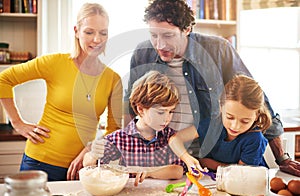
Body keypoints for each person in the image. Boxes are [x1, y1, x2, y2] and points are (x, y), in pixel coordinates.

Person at [125, 0, 300, 176]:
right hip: (164, 154)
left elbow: (257, 100)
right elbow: (131, 105)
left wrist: (282, 158)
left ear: (186, 29)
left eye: (168, 36)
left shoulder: (217, 50)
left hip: (209, 157)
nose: (160, 45)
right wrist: (125, 148)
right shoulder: (143, 53)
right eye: (154, 35)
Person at [0, 3, 123, 181]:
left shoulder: (113, 79)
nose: (97, 39)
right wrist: (17, 123)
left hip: (82, 167)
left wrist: (89, 150)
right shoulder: (54, 63)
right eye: (89, 32)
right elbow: (4, 80)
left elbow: (113, 131)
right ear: (76, 31)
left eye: (103, 33)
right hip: (39, 162)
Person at [83, 70, 187, 186]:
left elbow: (178, 171)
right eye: (161, 113)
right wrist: (93, 154)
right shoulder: (120, 138)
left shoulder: (170, 137)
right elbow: (88, 164)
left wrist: (148, 171)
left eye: (171, 111)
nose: (167, 118)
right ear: (141, 110)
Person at [198, 75, 271, 171]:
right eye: (230, 117)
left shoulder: (255, 139)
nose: (235, 126)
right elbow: (201, 160)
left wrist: (210, 163)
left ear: (256, 115)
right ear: (221, 106)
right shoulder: (211, 125)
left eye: (245, 121)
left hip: (246, 183)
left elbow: (240, 172)